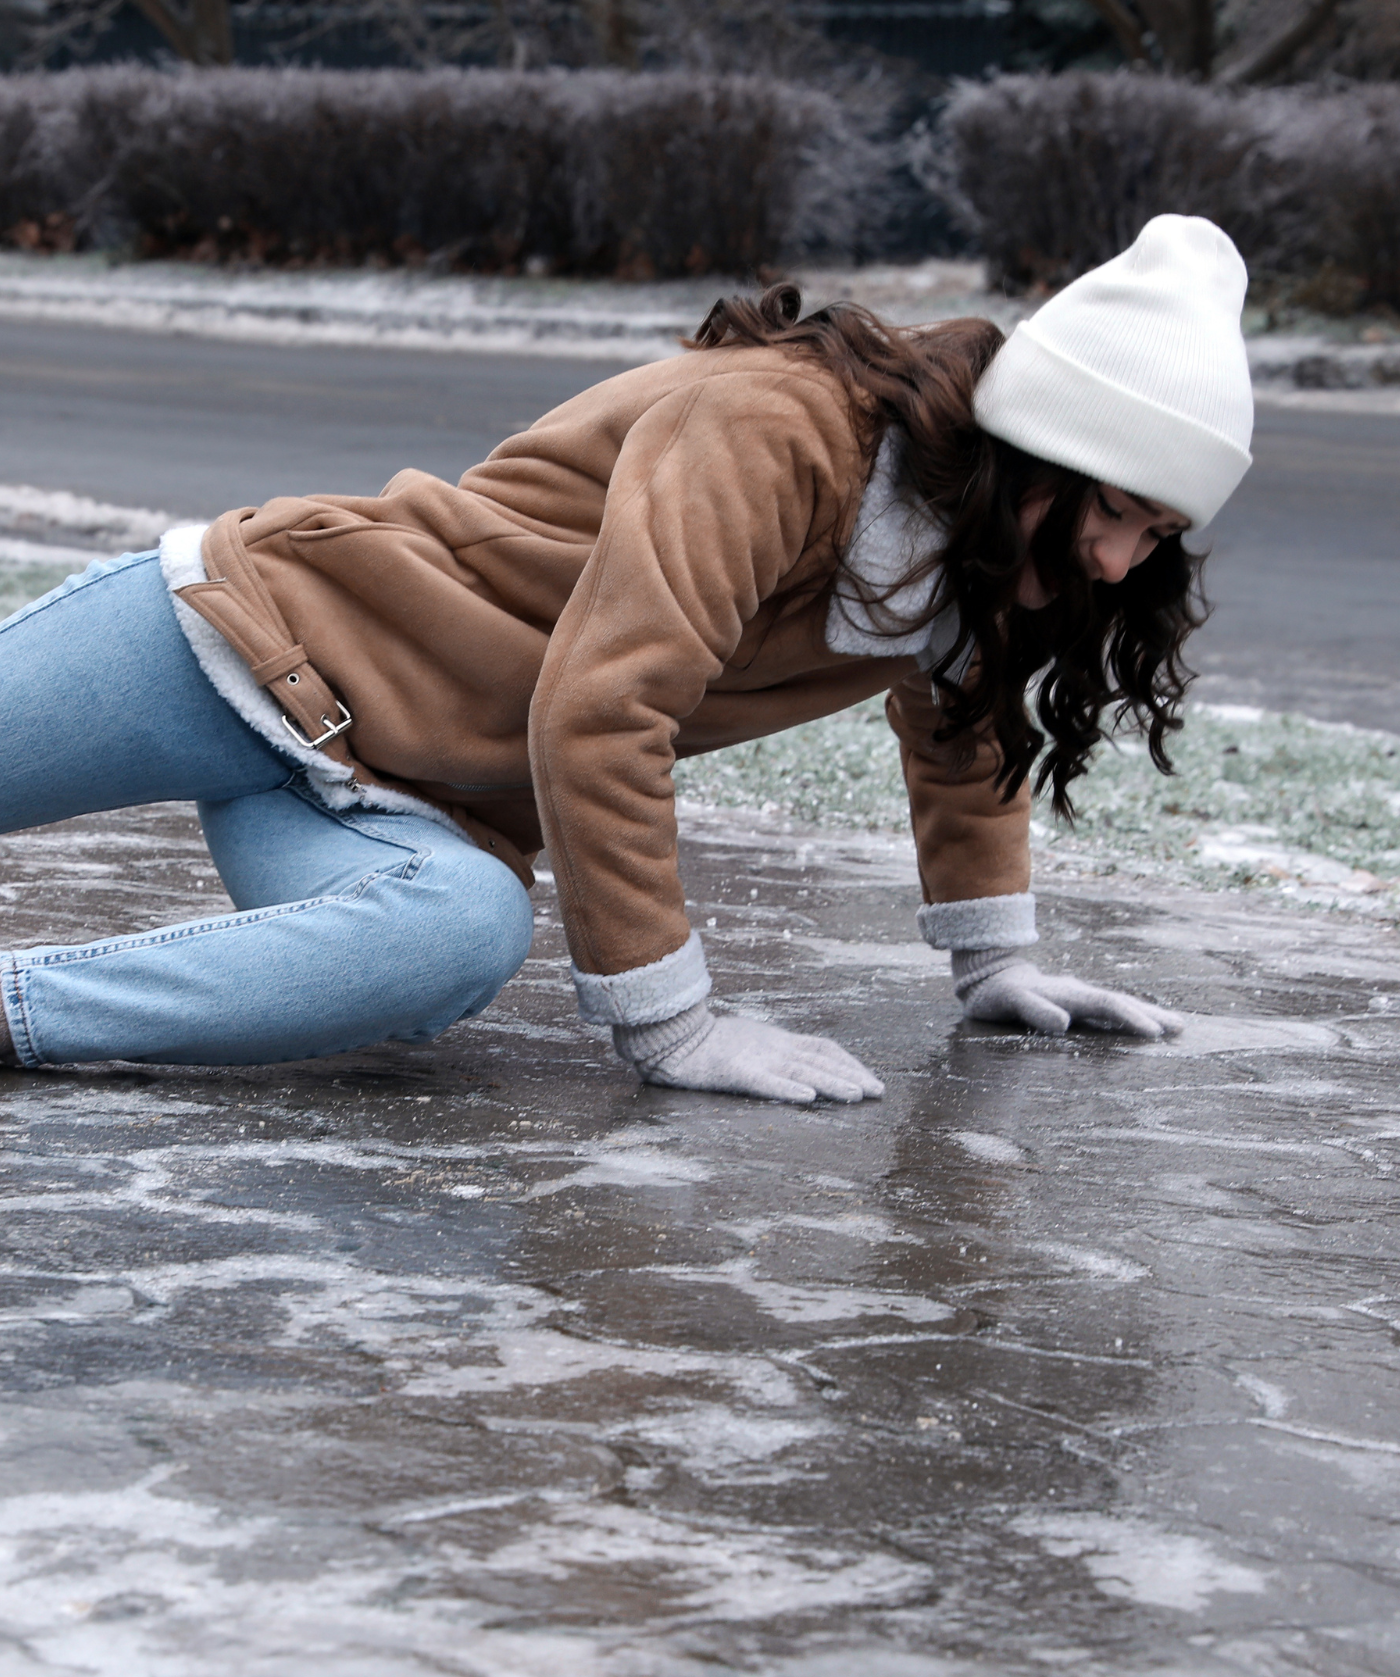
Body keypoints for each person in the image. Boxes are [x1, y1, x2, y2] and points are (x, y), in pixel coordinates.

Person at [0, 213, 1253, 1104]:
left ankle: (19, 1013)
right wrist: (674, 1025)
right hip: (235, 641)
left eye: (1154, 534)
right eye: (1111, 507)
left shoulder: (975, 552)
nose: (1112, 562)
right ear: (1032, 450)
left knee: (460, 938)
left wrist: (997, 961)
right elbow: (606, 709)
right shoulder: (778, 435)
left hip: (395, 803)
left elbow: (963, 716)